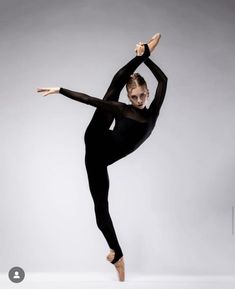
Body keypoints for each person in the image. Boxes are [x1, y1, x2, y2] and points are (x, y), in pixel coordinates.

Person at [37, 33, 167, 282]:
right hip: (95, 138)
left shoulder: (153, 111)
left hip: (98, 160)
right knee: (111, 90)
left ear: (148, 93)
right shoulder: (124, 109)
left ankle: (117, 255)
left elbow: (164, 79)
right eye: (135, 97)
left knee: (101, 211)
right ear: (129, 98)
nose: (139, 101)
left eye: (143, 95)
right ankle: (138, 54)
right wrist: (60, 90)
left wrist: (148, 59)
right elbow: (90, 100)